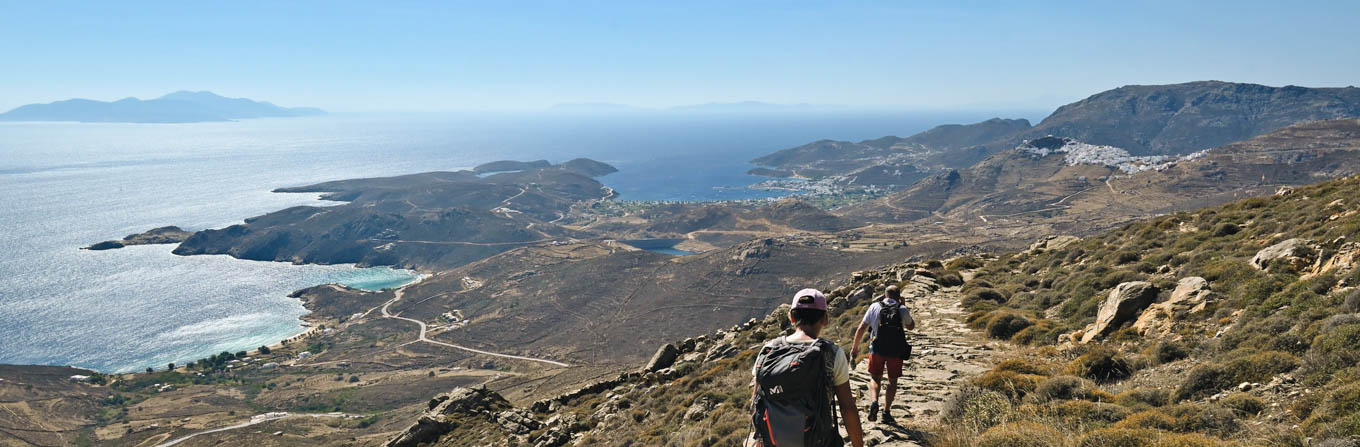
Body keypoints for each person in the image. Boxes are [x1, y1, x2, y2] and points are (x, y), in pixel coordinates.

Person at [750, 288, 863, 447]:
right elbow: (847, 408)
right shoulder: (831, 353)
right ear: (825, 318)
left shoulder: (769, 350)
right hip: (815, 440)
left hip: (773, 441)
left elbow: (755, 401)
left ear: (791, 317)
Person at [850, 285, 915, 425]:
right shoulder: (901, 309)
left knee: (875, 378)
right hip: (896, 351)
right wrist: (903, 306)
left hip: (877, 349)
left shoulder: (874, 306)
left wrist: (854, 348)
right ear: (898, 296)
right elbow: (911, 326)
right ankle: (886, 412)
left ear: (885, 295)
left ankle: (874, 402)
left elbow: (861, 328)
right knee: (892, 381)